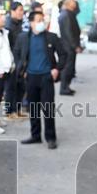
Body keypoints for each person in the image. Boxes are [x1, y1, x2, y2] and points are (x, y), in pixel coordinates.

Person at [13, 10, 60, 149]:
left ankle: (51, 137)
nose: (42, 23)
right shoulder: (23, 38)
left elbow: (64, 54)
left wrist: (56, 69)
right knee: (33, 108)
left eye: (43, 20)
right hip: (31, 77)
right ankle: (35, 136)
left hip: (46, 77)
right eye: (39, 20)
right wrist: (22, 69)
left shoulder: (51, 37)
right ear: (32, 22)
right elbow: (16, 53)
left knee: (48, 109)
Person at [57, 0, 81, 95]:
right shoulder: (65, 15)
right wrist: (75, 46)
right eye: (72, 1)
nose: (74, 2)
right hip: (68, 46)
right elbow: (68, 33)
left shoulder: (69, 14)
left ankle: (66, 86)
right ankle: (64, 88)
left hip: (69, 45)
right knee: (67, 67)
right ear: (67, 4)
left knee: (70, 67)